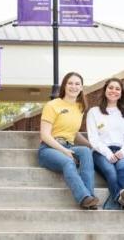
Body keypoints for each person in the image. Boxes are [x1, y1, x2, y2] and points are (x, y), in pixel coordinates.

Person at [38, 72, 99, 209]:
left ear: (82, 88)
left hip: (68, 145)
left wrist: (91, 145)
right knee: (68, 161)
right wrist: (65, 151)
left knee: (86, 151)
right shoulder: (52, 105)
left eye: (77, 84)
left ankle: (90, 195)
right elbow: (45, 135)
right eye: (70, 83)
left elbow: (73, 132)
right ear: (64, 86)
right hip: (48, 149)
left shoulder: (80, 107)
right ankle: (83, 197)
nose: (74, 87)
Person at [86, 78, 124, 212]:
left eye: (117, 89)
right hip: (101, 152)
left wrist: (123, 152)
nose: (114, 91)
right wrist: (108, 153)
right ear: (105, 90)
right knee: (111, 172)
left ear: (121, 93)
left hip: (123, 150)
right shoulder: (94, 112)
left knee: (123, 167)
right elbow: (93, 138)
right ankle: (123, 198)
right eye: (111, 87)